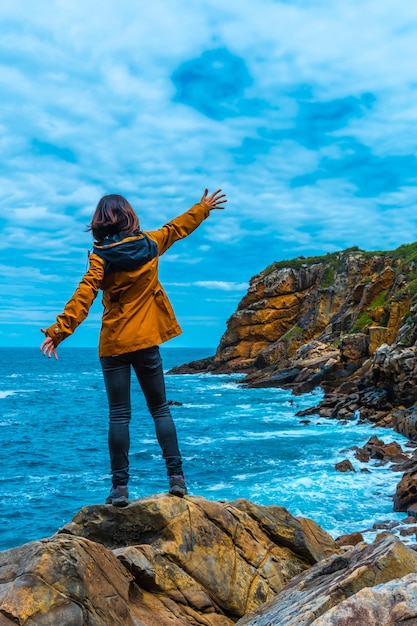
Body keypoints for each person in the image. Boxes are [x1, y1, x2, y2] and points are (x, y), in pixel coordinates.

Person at [40, 188, 227, 506]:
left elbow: (85, 292)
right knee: (160, 409)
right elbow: (177, 227)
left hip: (113, 343)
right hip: (146, 341)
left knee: (118, 415)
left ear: (99, 224)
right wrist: (202, 207)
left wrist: (61, 329)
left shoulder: (100, 256)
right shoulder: (151, 243)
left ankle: (120, 489)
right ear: (129, 217)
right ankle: (177, 480)